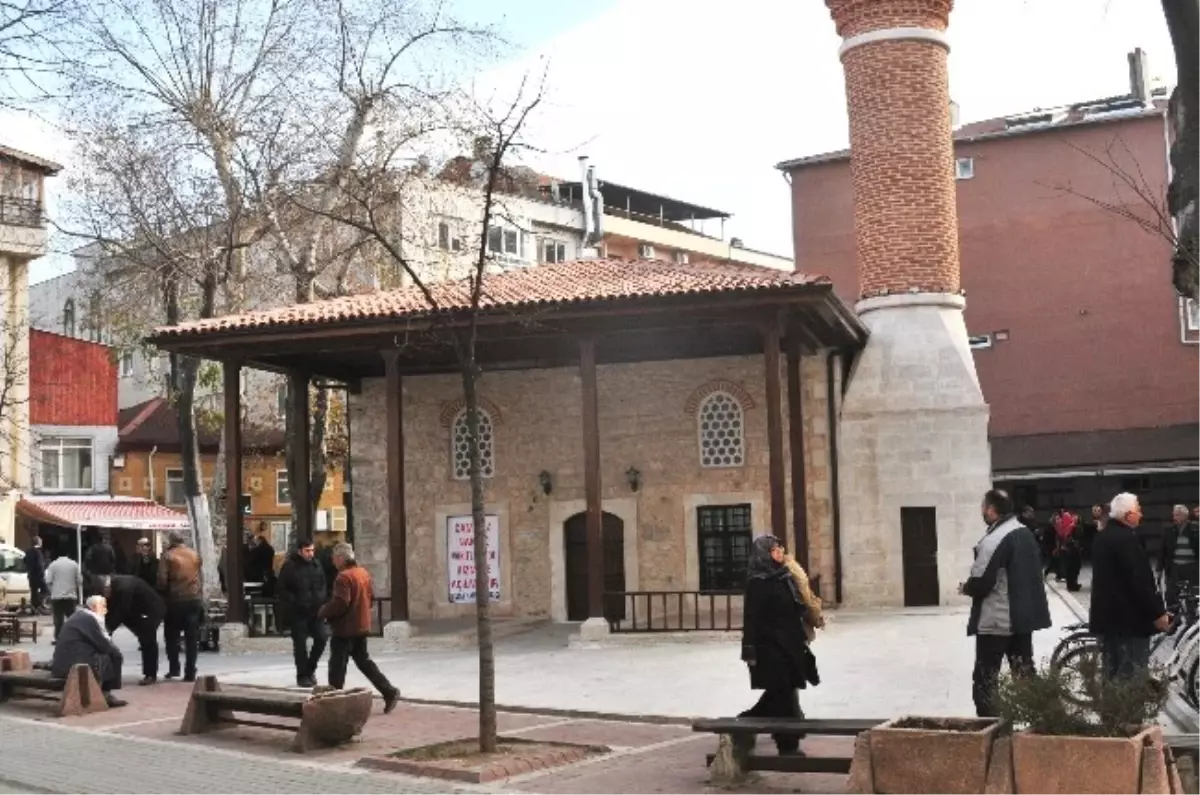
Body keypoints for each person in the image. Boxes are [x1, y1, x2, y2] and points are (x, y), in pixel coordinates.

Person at [961, 489, 1053, 717]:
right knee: (1025, 675)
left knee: (985, 680)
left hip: (997, 621)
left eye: (984, 507)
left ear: (992, 510)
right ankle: (1041, 726)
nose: (982, 511)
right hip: (1022, 621)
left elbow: (982, 582)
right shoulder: (1024, 533)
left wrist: (966, 587)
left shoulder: (994, 539)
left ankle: (992, 733)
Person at [738, 535, 817, 756]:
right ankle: (786, 743)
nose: (780, 551)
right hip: (770, 648)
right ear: (764, 554)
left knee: (784, 692)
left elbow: (795, 605)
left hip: (790, 644)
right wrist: (749, 648)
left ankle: (745, 725)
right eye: (774, 549)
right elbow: (751, 618)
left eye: (780, 547)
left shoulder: (784, 576)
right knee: (782, 694)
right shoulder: (758, 582)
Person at [1090, 492, 1170, 681]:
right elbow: (1140, 582)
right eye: (1138, 510)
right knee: (1131, 678)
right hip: (1130, 623)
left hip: (1109, 620)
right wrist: (1157, 613)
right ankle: (1129, 710)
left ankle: (1112, 710)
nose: (1141, 514)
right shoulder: (1126, 540)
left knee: (1112, 675)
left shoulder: (1103, 537)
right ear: (1128, 515)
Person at [319, 543, 399, 713]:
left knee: (337, 666)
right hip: (361, 626)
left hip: (345, 628)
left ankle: (334, 703)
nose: (333, 561)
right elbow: (370, 597)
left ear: (340, 558)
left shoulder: (343, 577)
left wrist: (323, 612)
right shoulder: (363, 573)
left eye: (334, 558)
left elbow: (341, 602)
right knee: (364, 662)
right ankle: (388, 690)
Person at [50, 595, 126, 708]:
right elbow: (103, 644)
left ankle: (105, 694)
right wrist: (116, 653)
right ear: (94, 607)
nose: (106, 610)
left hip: (62, 664)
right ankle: (105, 694)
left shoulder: (81, 616)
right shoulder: (88, 619)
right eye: (103, 606)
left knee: (110, 655)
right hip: (72, 666)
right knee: (112, 656)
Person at [277, 539, 328, 687]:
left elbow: (323, 583)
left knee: (322, 638)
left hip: (316, 611)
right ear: (300, 551)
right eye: (307, 551)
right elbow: (281, 588)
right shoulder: (290, 567)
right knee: (300, 645)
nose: (310, 554)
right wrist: (294, 601)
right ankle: (302, 675)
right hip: (298, 612)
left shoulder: (317, 565)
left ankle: (310, 669)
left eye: (312, 550)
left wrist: (323, 598)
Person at [102, 574, 166, 685]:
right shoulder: (115, 586)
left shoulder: (123, 587)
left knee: (147, 639)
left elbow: (121, 610)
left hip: (150, 610)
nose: (105, 597)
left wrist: (108, 628)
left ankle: (150, 674)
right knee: (144, 639)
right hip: (136, 610)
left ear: (107, 588)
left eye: (104, 593)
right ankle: (108, 671)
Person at [158, 531, 203, 682]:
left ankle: (174, 668)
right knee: (192, 638)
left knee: (171, 636)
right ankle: (190, 671)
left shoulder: (167, 555)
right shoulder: (194, 554)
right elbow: (199, 575)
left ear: (171, 541)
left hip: (175, 600)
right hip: (194, 599)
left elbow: (162, 580)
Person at [1160, 505, 1198, 605]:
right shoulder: (1168, 530)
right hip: (1174, 567)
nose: (1174, 518)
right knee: (1171, 595)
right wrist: (1160, 569)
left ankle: (1191, 617)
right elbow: (1162, 550)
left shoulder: (1196, 529)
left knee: (1192, 595)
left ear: (1185, 516)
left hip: (1191, 568)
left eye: (1177, 515)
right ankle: (1173, 617)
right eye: (1174, 515)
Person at [44, 550, 81, 641]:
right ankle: (73, 637)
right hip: (70, 597)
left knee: (58, 620)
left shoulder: (53, 565)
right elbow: (79, 581)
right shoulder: (74, 564)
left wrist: (52, 591)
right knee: (72, 619)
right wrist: (74, 589)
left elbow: (48, 582)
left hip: (57, 596)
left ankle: (58, 638)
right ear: (67, 554)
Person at [1055, 510, 1083, 592]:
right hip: (1072, 550)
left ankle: (1071, 584)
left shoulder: (1061, 527)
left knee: (1070, 568)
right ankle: (1072, 584)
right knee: (1074, 568)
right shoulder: (1071, 527)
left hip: (1067, 550)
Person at [24, 536, 46, 611]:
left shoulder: (28, 551)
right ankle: (39, 604)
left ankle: (34, 607)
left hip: (31, 575)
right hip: (38, 575)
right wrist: (42, 573)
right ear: (39, 542)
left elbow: (25, 561)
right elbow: (40, 564)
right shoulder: (38, 552)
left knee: (33, 592)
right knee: (46, 590)